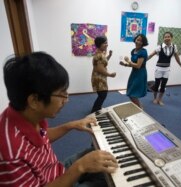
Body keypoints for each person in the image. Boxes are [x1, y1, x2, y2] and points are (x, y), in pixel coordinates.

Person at [0, 52, 118, 187]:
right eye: (62, 94)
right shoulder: (10, 154)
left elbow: (42, 137)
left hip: (54, 170)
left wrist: (70, 125)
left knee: (102, 154)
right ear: (34, 100)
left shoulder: (23, 113)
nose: (66, 100)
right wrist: (80, 167)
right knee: (110, 181)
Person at [147, 31, 181, 105]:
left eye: (168, 36)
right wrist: (144, 61)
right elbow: (151, 55)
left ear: (171, 38)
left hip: (167, 69)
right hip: (159, 68)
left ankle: (160, 99)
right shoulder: (160, 46)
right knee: (157, 85)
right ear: (163, 38)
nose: (167, 38)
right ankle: (155, 98)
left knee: (163, 85)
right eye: (165, 37)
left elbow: (177, 57)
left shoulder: (174, 47)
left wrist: (180, 65)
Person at [120, 34, 148, 108]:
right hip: (134, 73)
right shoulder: (133, 51)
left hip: (140, 74)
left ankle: (139, 108)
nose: (138, 42)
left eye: (140, 41)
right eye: (137, 39)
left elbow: (138, 66)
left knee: (132, 93)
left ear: (143, 43)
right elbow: (133, 65)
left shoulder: (143, 52)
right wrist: (125, 64)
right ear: (135, 40)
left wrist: (128, 61)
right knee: (131, 91)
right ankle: (139, 106)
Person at [91, 36, 116, 113]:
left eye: (107, 43)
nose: (107, 45)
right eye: (105, 43)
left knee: (102, 94)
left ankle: (97, 108)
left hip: (99, 77)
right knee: (102, 95)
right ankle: (95, 110)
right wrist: (110, 74)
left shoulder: (100, 53)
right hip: (99, 78)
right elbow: (100, 69)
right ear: (100, 44)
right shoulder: (99, 55)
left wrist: (109, 55)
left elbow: (104, 62)